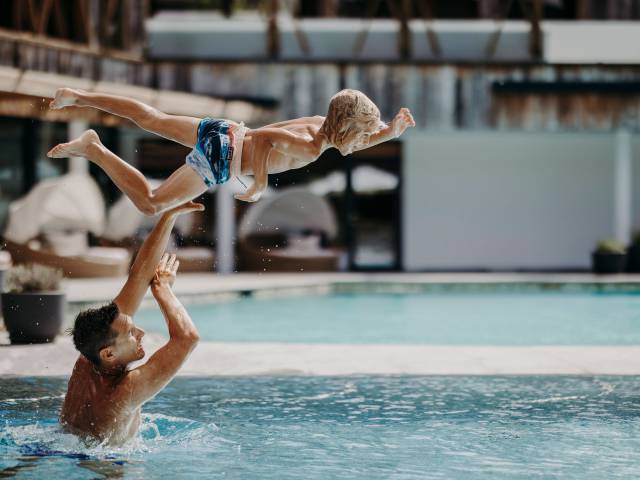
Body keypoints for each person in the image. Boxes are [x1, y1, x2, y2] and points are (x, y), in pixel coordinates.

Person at [47, 88, 415, 208]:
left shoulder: (320, 124)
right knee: (152, 203)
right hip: (224, 157)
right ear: (347, 129)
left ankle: (79, 98)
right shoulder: (310, 147)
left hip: (227, 132)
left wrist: (390, 133)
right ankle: (94, 148)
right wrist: (259, 184)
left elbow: (264, 136)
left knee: (152, 118)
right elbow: (267, 139)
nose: (362, 140)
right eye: (362, 133)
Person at [60, 201, 203, 446]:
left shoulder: (89, 355)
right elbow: (188, 338)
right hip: (109, 467)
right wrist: (163, 290)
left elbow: (139, 275)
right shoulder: (124, 392)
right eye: (130, 333)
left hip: (66, 447)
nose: (141, 332)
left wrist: (168, 216)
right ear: (109, 353)